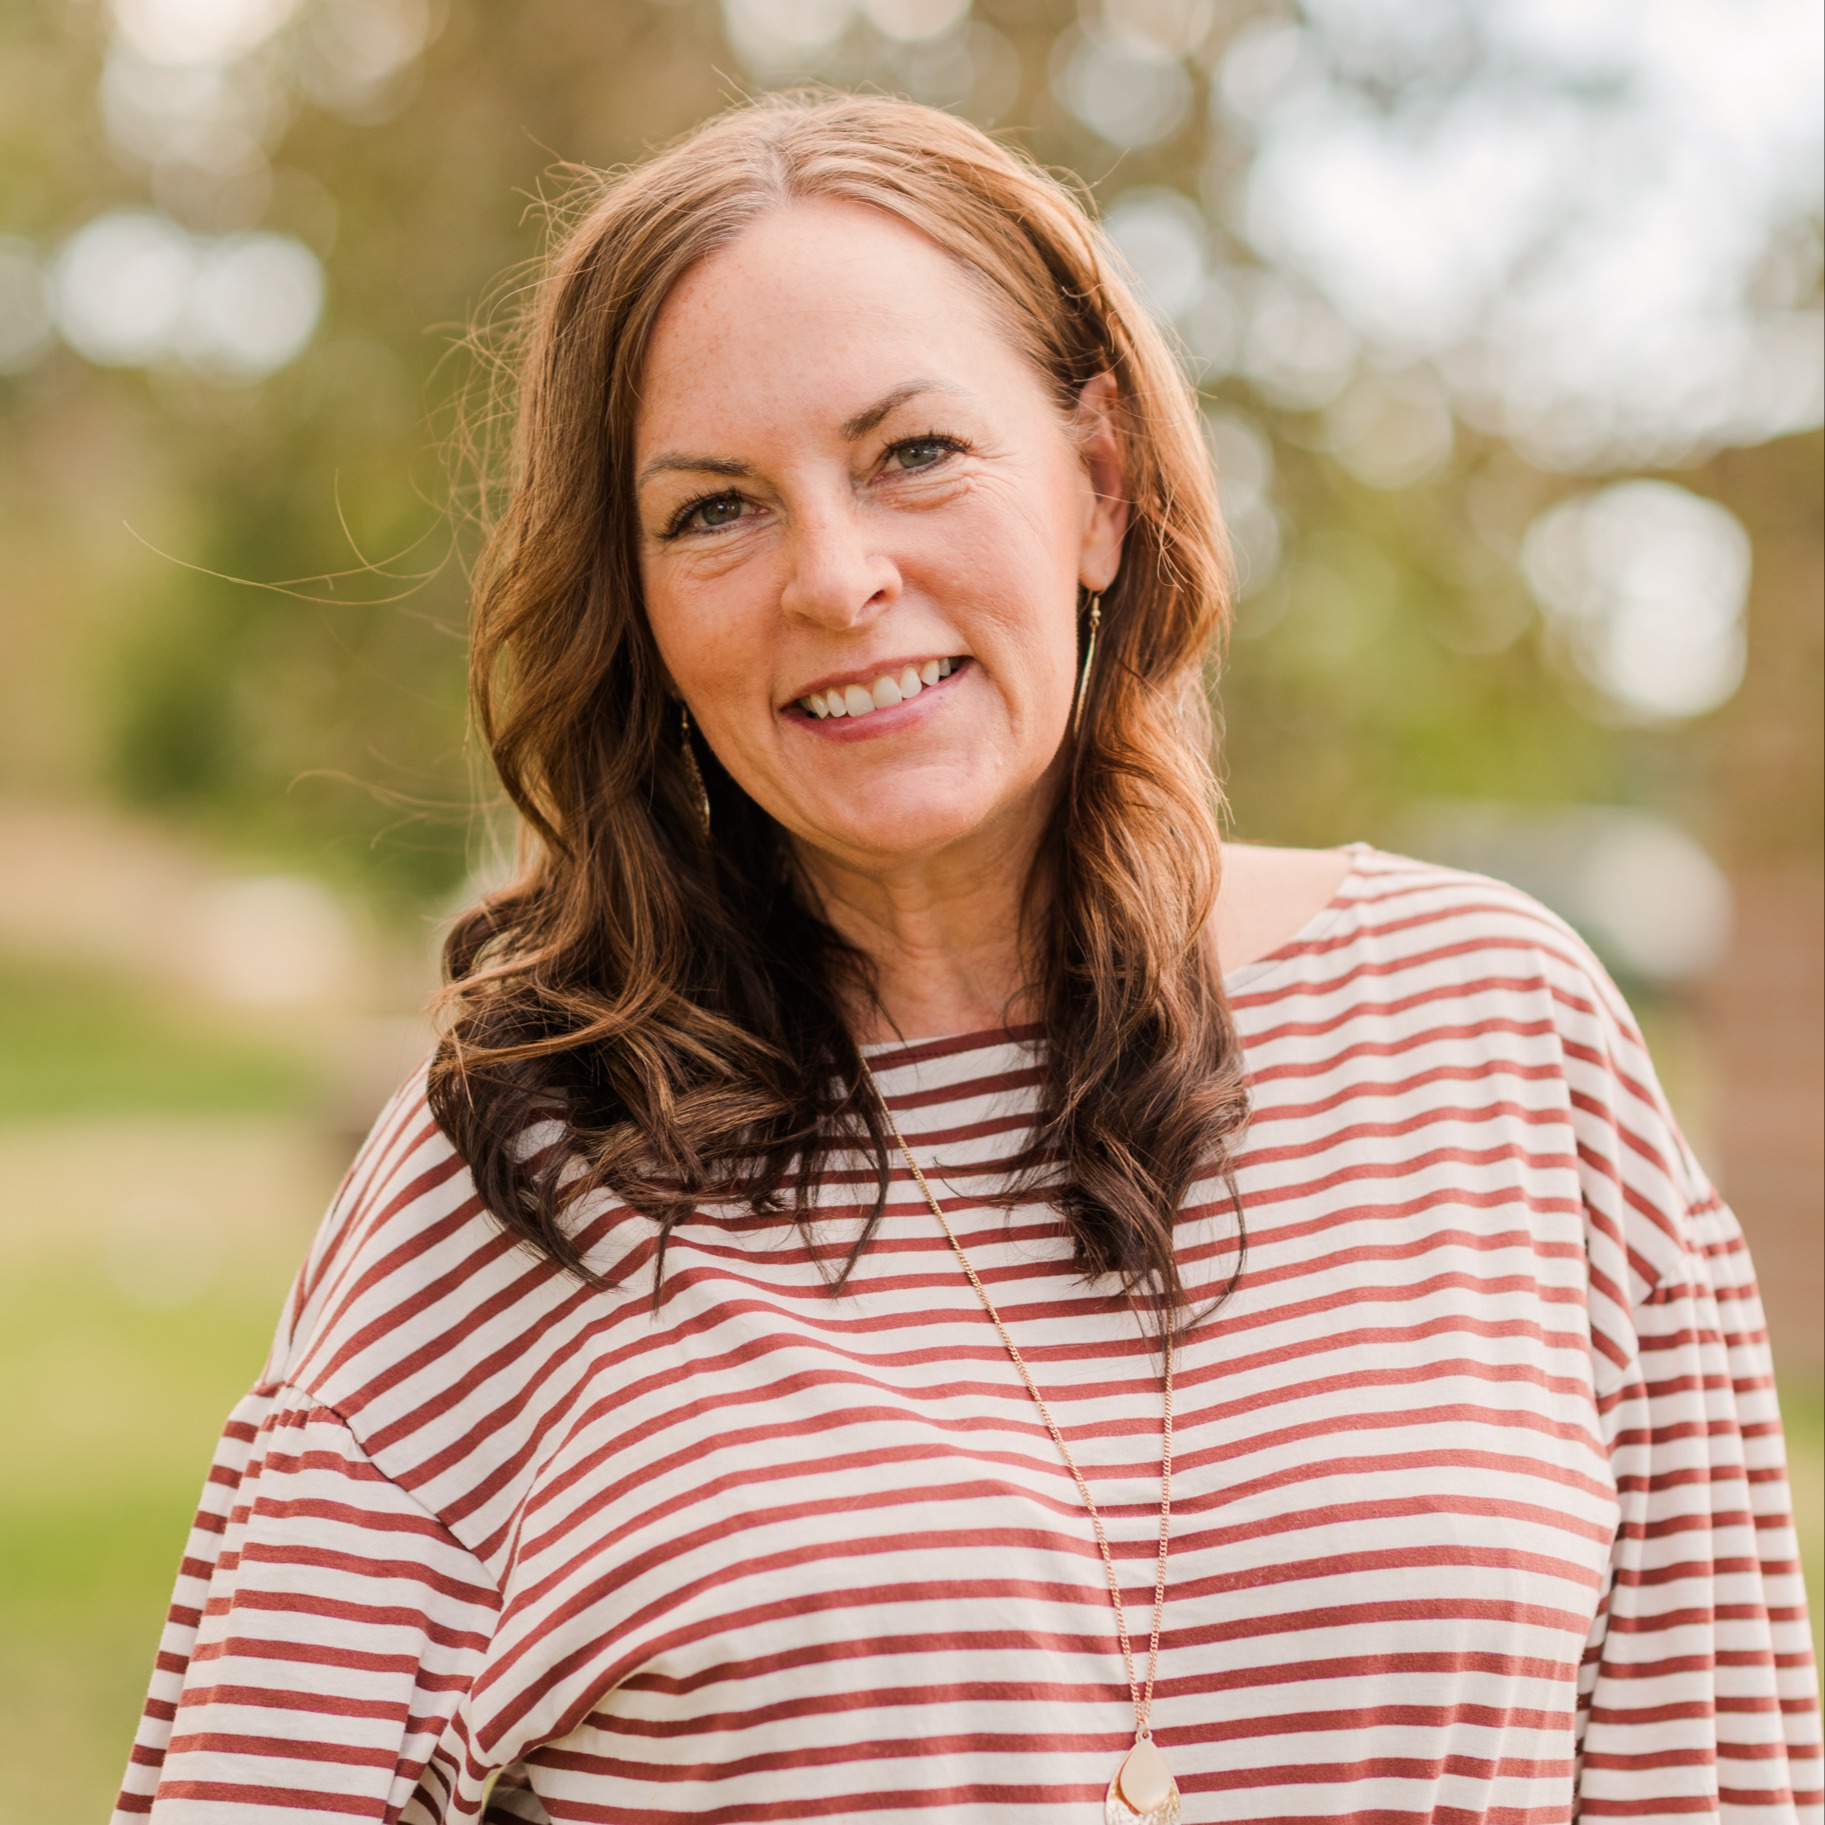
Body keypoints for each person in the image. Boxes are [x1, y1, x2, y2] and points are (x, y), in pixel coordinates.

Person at [115, 93, 1819, 1824]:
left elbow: (1717, 1779)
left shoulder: (1501, 1040)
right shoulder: (520, 1171)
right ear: (634, 604)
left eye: (913, 454)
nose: (838, 576)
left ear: (1097, 482)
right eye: (715, 511)